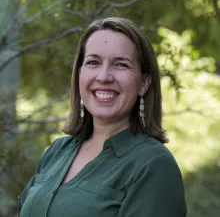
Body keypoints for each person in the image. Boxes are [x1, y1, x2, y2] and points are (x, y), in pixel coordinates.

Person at [18, 17, 187, 217]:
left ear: (144, 83)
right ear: (79, 74)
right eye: (93, 62)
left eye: (121, 64)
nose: (104, 76)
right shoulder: (57, 152)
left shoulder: (154, 165)